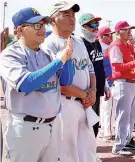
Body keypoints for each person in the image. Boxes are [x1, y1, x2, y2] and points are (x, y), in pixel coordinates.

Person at [0, 7, 74, 162]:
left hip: (52, 127)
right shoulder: (10, 54)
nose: (41, 29)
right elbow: (26, 84)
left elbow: (65, 81)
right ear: (19, 30)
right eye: (36, 25)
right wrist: (59, 61)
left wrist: (67, 58)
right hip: (25, 128)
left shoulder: (47, 54)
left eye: (43, 25)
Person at [42, 1, 99, 162]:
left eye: (73, 15)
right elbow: (58, 82)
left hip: (84, 103)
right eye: (66, 14)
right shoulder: (49, 45)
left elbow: (90, 69)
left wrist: (93, 91)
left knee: (88, 151)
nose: (72, 18)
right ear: (52, 19)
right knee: (68, 153)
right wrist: (85, 95)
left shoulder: (78, 41)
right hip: (64, 105)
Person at [107, 21, 135, 156]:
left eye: (130, 29)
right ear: (118, 32)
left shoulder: (129, 45)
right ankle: (118, 146)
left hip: (133, 82)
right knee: (123, 115)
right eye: (126, 30)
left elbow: (133, 65)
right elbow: (117, 67)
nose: (129, 31)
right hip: (123, 82)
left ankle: (127, 140)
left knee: (132, 115)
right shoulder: (115, 46)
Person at [78, 13, 111, 137]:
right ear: (83, 26)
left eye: (97, 24)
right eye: (92, 24)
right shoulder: (79, 43)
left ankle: (92, 153)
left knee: (94, 124)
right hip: (85, 90)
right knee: (85, 125)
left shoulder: (96, 43)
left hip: (97, 88)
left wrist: (105, 85)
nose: (96, 28)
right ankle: (85, 155)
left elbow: (100, 65)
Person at [98, 26, 116, 141]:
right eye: (108, 35)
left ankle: (105, 130)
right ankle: (108, 132)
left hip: (105, 81)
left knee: (105, 109)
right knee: (109, 108)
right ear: (101, 36)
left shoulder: (106, 47)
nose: (111, 36)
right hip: (108, 82)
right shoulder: (103, 49)